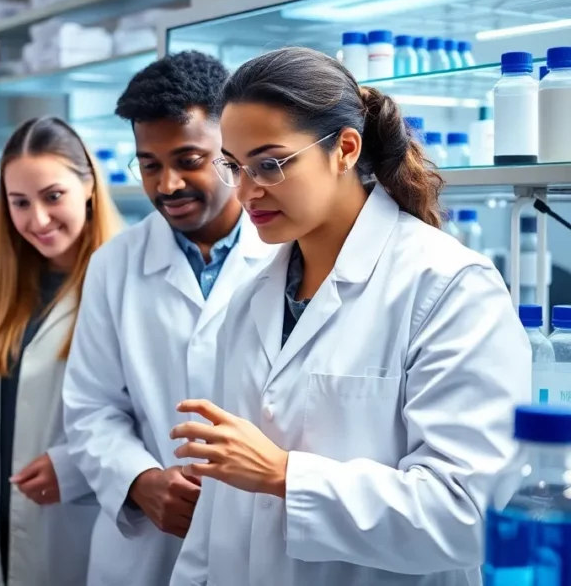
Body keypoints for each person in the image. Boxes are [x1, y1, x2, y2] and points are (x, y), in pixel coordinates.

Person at [169, 46, 531, 586]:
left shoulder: (449, 286)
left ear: (344, 148)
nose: (246, 191)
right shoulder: (250, 297)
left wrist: (284, 476)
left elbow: (467, 513)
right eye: (234, 166)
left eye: (270, 163)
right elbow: (219, 510)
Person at [62, 51, 276, 586]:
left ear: (229, 149)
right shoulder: (114, 263)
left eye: (189, 159)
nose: (168, 185)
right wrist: (140, 480)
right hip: (145, 551)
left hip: (261, 534)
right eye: (150, 163)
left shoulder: (287, 253)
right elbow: (91, 406)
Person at [0, 117, 122, 586]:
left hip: (78, 525)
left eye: (52, 196)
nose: (36, 220)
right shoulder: (9, 288)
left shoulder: (124, 282)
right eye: (19, 203)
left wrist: (77, 468)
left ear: (88, 187)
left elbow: (152, 418)